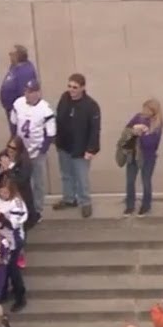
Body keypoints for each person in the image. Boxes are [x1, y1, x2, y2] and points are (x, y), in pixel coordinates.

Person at [53, 73, 101, 218]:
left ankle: (85, 202)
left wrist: (91, 149)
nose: (71, 90)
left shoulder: (91, 106)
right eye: (69, 86)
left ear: (82, 88)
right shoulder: (64, 98)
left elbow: (95, 129)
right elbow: (58, 119)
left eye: (75, 87)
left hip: (81, 149)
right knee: (66, 175)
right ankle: (69, 199)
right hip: (64, 145)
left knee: (82, 177)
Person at [122, 98, 163, 215]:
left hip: (148, 157)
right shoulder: (138, 117)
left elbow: (152, 144)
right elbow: (127, 130)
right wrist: (133, 130)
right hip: (134, 155)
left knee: (146, 181)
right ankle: (130, 205)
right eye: (143, 108)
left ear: (153, 111)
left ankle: (146, 204)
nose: (144, 111)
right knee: (130, 181)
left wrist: (143, 133)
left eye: (147, 109)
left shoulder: (157, 124)